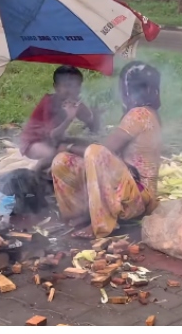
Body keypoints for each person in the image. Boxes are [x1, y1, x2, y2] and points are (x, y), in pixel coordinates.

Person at [50, 61, 162, 239]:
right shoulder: (143, 113)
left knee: (95, 154)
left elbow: (104, 150)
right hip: (126, 190)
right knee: (62, 161)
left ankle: (100, 224)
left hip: (139, 198)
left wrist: (70, 146)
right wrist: (71, 143)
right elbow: (107, 146)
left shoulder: (139, 114)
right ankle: (79, 213)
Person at [19, 65, 101, 172]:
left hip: (57, 141)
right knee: (54, 155)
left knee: (90, 144)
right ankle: (34, 173)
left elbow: (93, 128)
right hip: (34, 142)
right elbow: (52, 135)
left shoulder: (76, 104)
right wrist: (69, 119)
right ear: (56, 87)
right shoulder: (49, 102)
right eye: (67, 86)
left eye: (76, 86)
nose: (71, 90)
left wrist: (96, 115)